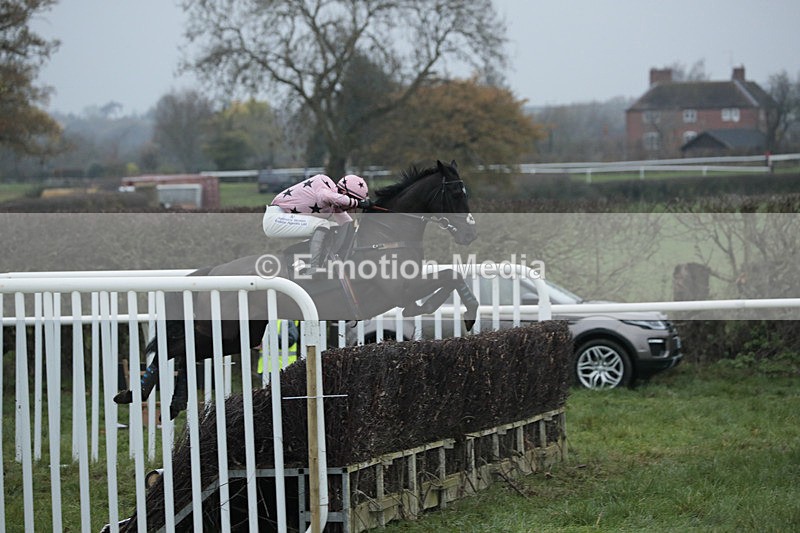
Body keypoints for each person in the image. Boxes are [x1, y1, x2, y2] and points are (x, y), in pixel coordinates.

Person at [262, 174, 371, 270]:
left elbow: (347, 225)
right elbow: (327, 196)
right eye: (352, 200)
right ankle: (314, 268)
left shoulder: (333, 204)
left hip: (283, 218)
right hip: (275, 218)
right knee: (323, 225)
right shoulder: (324, 185)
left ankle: (302, 256)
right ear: (343, 192)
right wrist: (357, 203)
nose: (351, 209)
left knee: (335, 227)